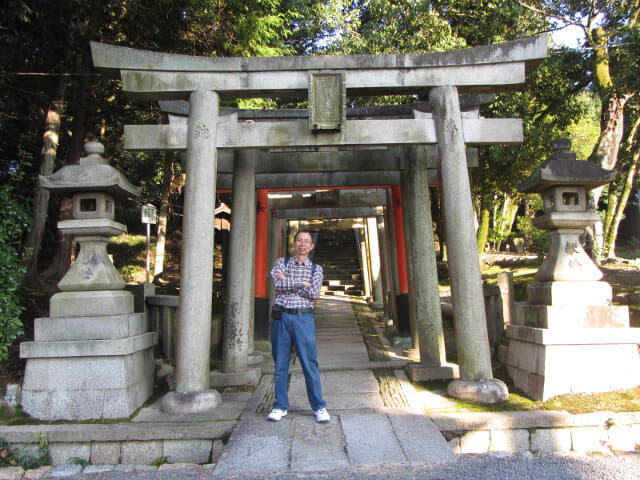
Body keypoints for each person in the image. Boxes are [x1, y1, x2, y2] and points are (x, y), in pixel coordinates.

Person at [267, 230, 329, 423]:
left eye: (307, 241)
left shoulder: (316, 269)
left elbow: (314, 293)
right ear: (294, 243)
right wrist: (301, 283)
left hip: (303, 319)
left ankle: (319, 406)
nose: (302, 244)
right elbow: (278, 285)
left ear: (311, 246)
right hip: (281, 318)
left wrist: (289, 283)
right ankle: (280, 406)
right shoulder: (281, 263)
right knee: (280, 364)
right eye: (299, 240)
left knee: (310, 364)